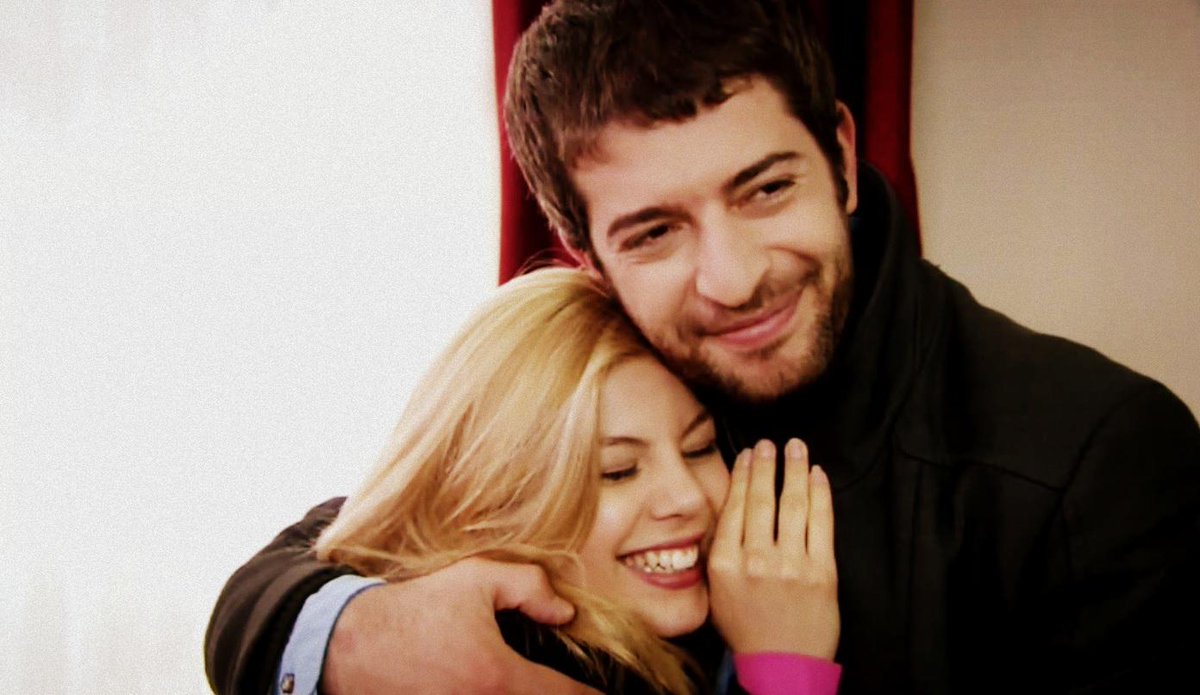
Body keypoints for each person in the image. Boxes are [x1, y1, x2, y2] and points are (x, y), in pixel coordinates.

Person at [205, 1, 1200, 693]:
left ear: (841, 155)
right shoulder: (636, 369)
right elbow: (366, 528)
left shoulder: (1098, 458)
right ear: (587, 254)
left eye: (766, 188)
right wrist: (355, 634)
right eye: (654, 232)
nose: (731, 280)